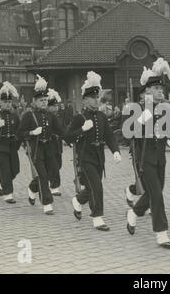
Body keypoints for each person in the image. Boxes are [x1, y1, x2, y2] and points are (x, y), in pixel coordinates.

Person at [126, 58, 170, 249]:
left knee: (153, 194)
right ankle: (161, 233)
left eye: (161, 89)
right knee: (156, 195)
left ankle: (133, 213)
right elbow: (130, 132)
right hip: (144, 158)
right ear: (147, 90)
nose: (160, 92)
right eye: (156, 89)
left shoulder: (165, 109)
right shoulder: (137, 108)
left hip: (160, 159)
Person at [66, 71, 122, 231]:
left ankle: (77, 201)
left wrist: (115, 151)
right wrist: (82, 129)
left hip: (99, 157)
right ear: (85, 100)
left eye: (97, 98)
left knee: (91, 187)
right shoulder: (80, 117)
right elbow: (68, 137)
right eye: (92, 98)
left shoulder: (102, 117)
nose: (96, 101)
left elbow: (110, 136)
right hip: (85, 157)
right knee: (97, 187)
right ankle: (97, 217)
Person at [17, 75, 66, 215]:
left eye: (45, 100)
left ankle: (32, 188)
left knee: (51, 172)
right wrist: (32, 132)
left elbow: (62, 131)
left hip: (49, 148)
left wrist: (74, 138)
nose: (44, 103)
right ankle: (47, 203)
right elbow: (19, 133)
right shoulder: (28, 115)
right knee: (43, 175)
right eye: (41, 101)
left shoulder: (51, 116)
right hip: (36, 149)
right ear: (34, 101)